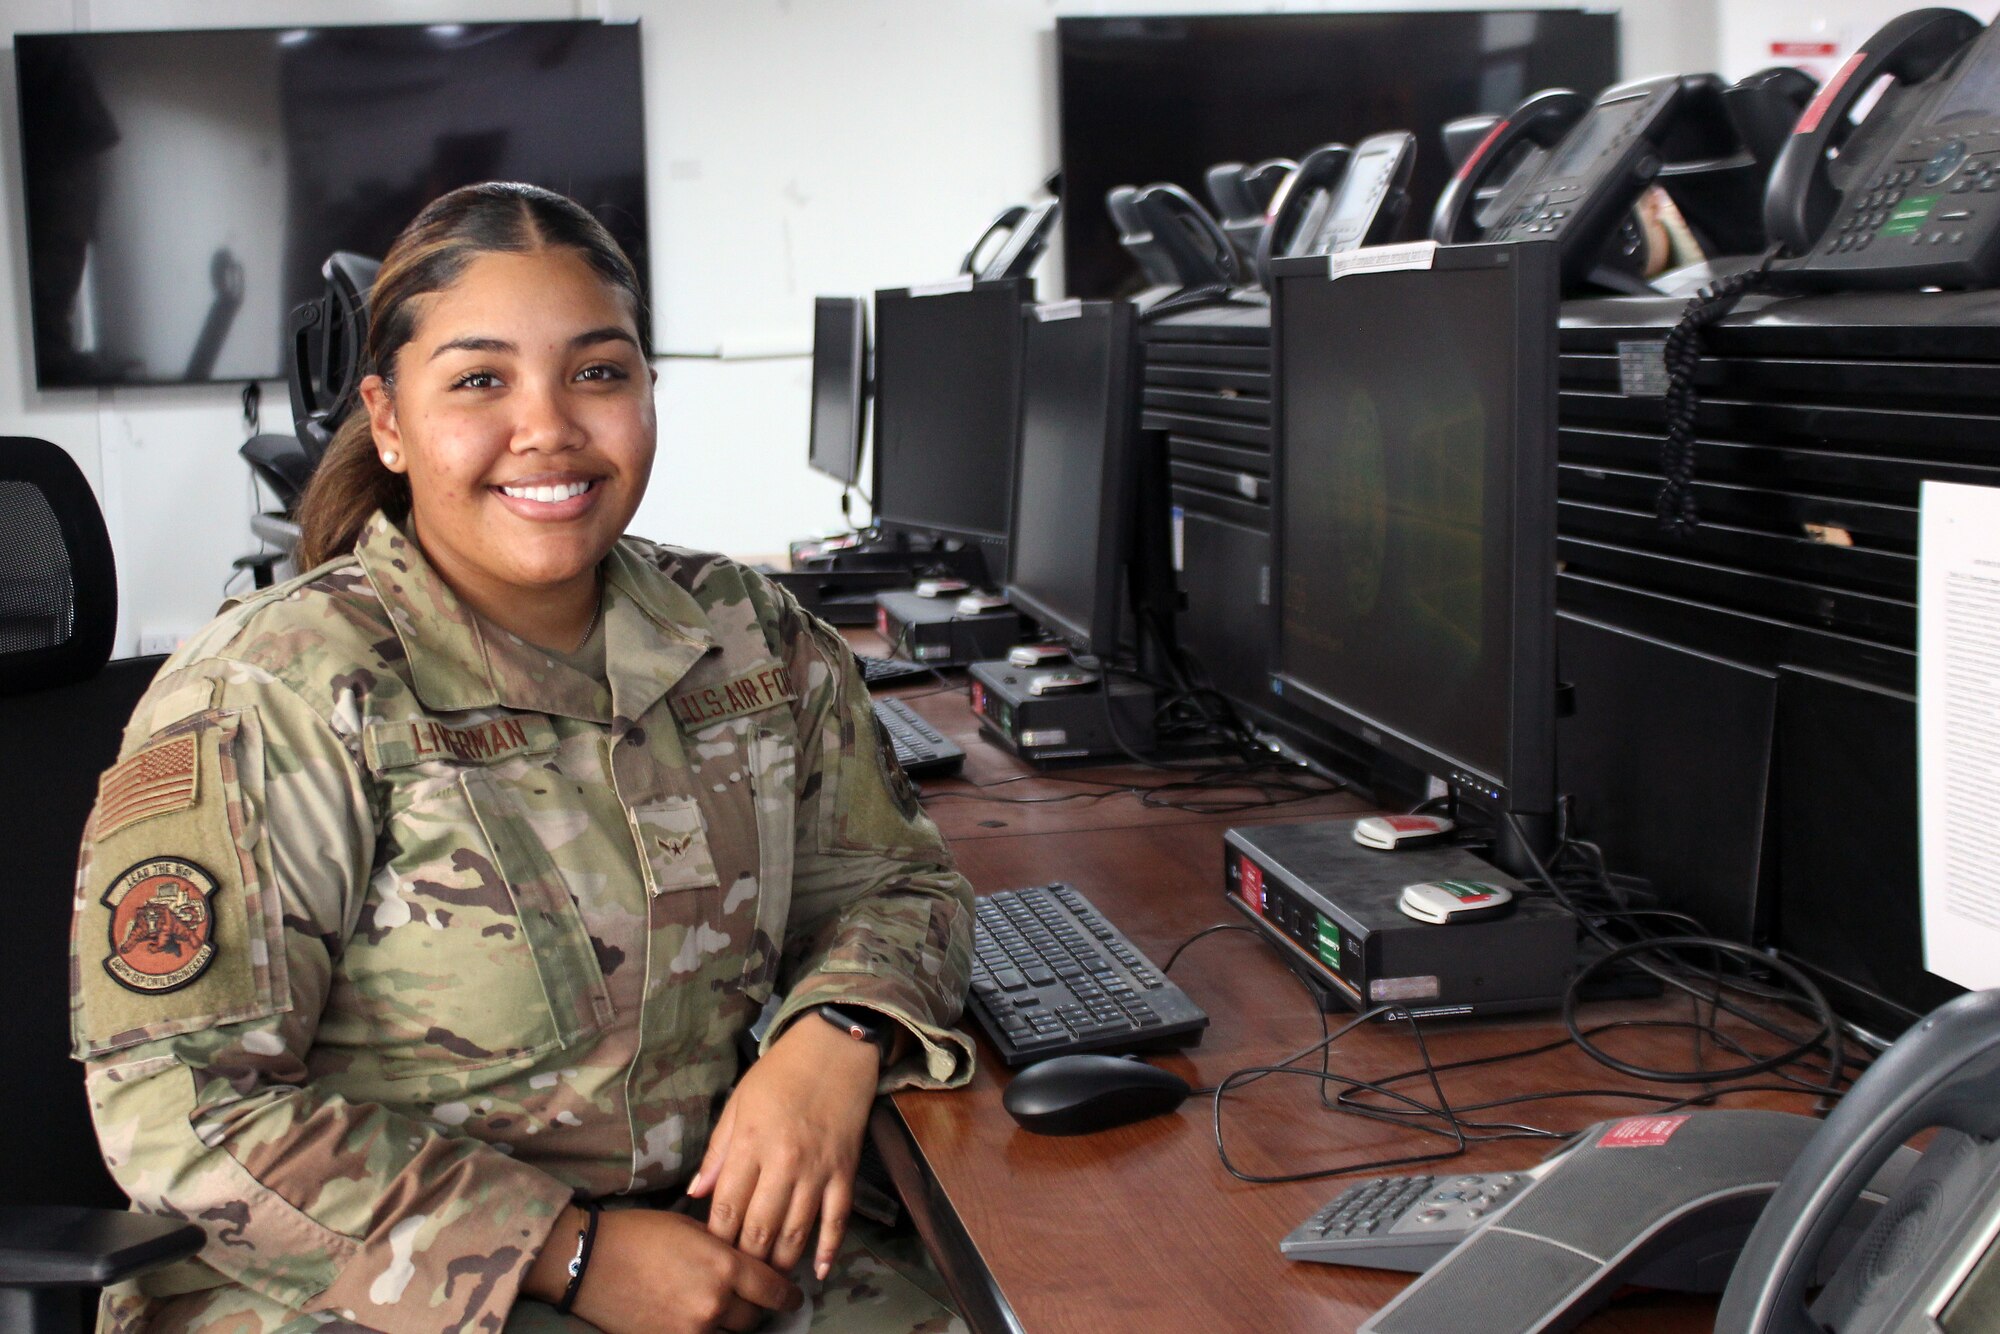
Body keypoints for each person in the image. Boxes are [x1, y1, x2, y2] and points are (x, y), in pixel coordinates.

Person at [69, 181, 975, 1334]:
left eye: (598, 372)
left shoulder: (746, 631)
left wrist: (833, 1037)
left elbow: (901, 881)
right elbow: (178, 1107)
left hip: (702, 1230)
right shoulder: (273, 693)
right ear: (388, 420)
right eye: (480, 380)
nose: (548, 426)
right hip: (358, 1283)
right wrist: (571, 1252)